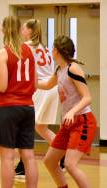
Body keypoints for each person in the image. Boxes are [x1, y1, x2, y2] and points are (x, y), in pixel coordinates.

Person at [0, 19, 62, 178]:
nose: (23, 31)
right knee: (37, 133)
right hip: (44, 90)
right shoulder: (41, 47)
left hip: (27, 94)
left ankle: (54, 153)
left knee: (9, 153)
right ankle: (58, 151)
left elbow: (12, 67)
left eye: (25, 28)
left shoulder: (24, 47)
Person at [0, 16, 38, 188]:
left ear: (3, 30)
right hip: (28, 108)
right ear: (19, 30)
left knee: (7, 157)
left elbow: (3, 86)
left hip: (8, 108)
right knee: (28, 156)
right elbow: (35, 84)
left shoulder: (4, 53)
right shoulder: (29, 52)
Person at [38, 35, 97, 188]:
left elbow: (87, 97)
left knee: (70, 165)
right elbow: (46, 85)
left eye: (52, 48)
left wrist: (72, 111)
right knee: (50, 161)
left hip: (82, 121)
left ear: (56, 51)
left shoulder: (73, 69)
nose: (51, 51)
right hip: (68, 124)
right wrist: (26, 81)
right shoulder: (59, 70)